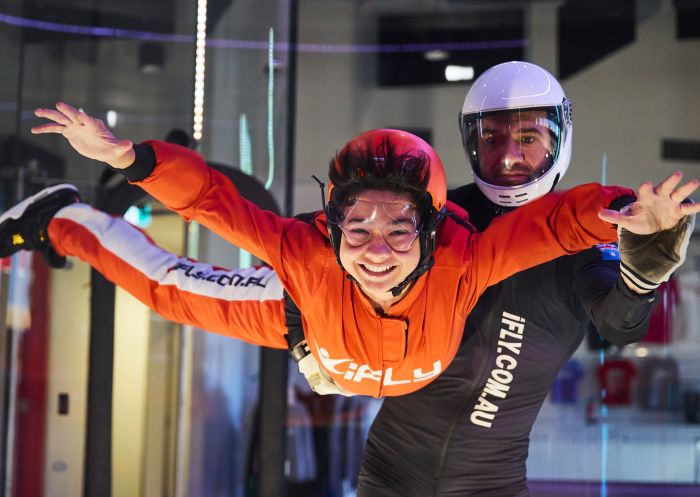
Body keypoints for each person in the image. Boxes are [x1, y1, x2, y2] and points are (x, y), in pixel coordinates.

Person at [6, 101, 695, 401]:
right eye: (355, 225)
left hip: (355, 356)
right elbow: (210, 200)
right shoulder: (306, 257)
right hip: (301, 314)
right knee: (165, 288)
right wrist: (131, 157)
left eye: (399, 227)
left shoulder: (466, 260)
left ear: (431, 230)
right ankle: (58, 215)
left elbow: (554, 224)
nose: (375, 248)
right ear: (330, 226)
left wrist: (627, 219)